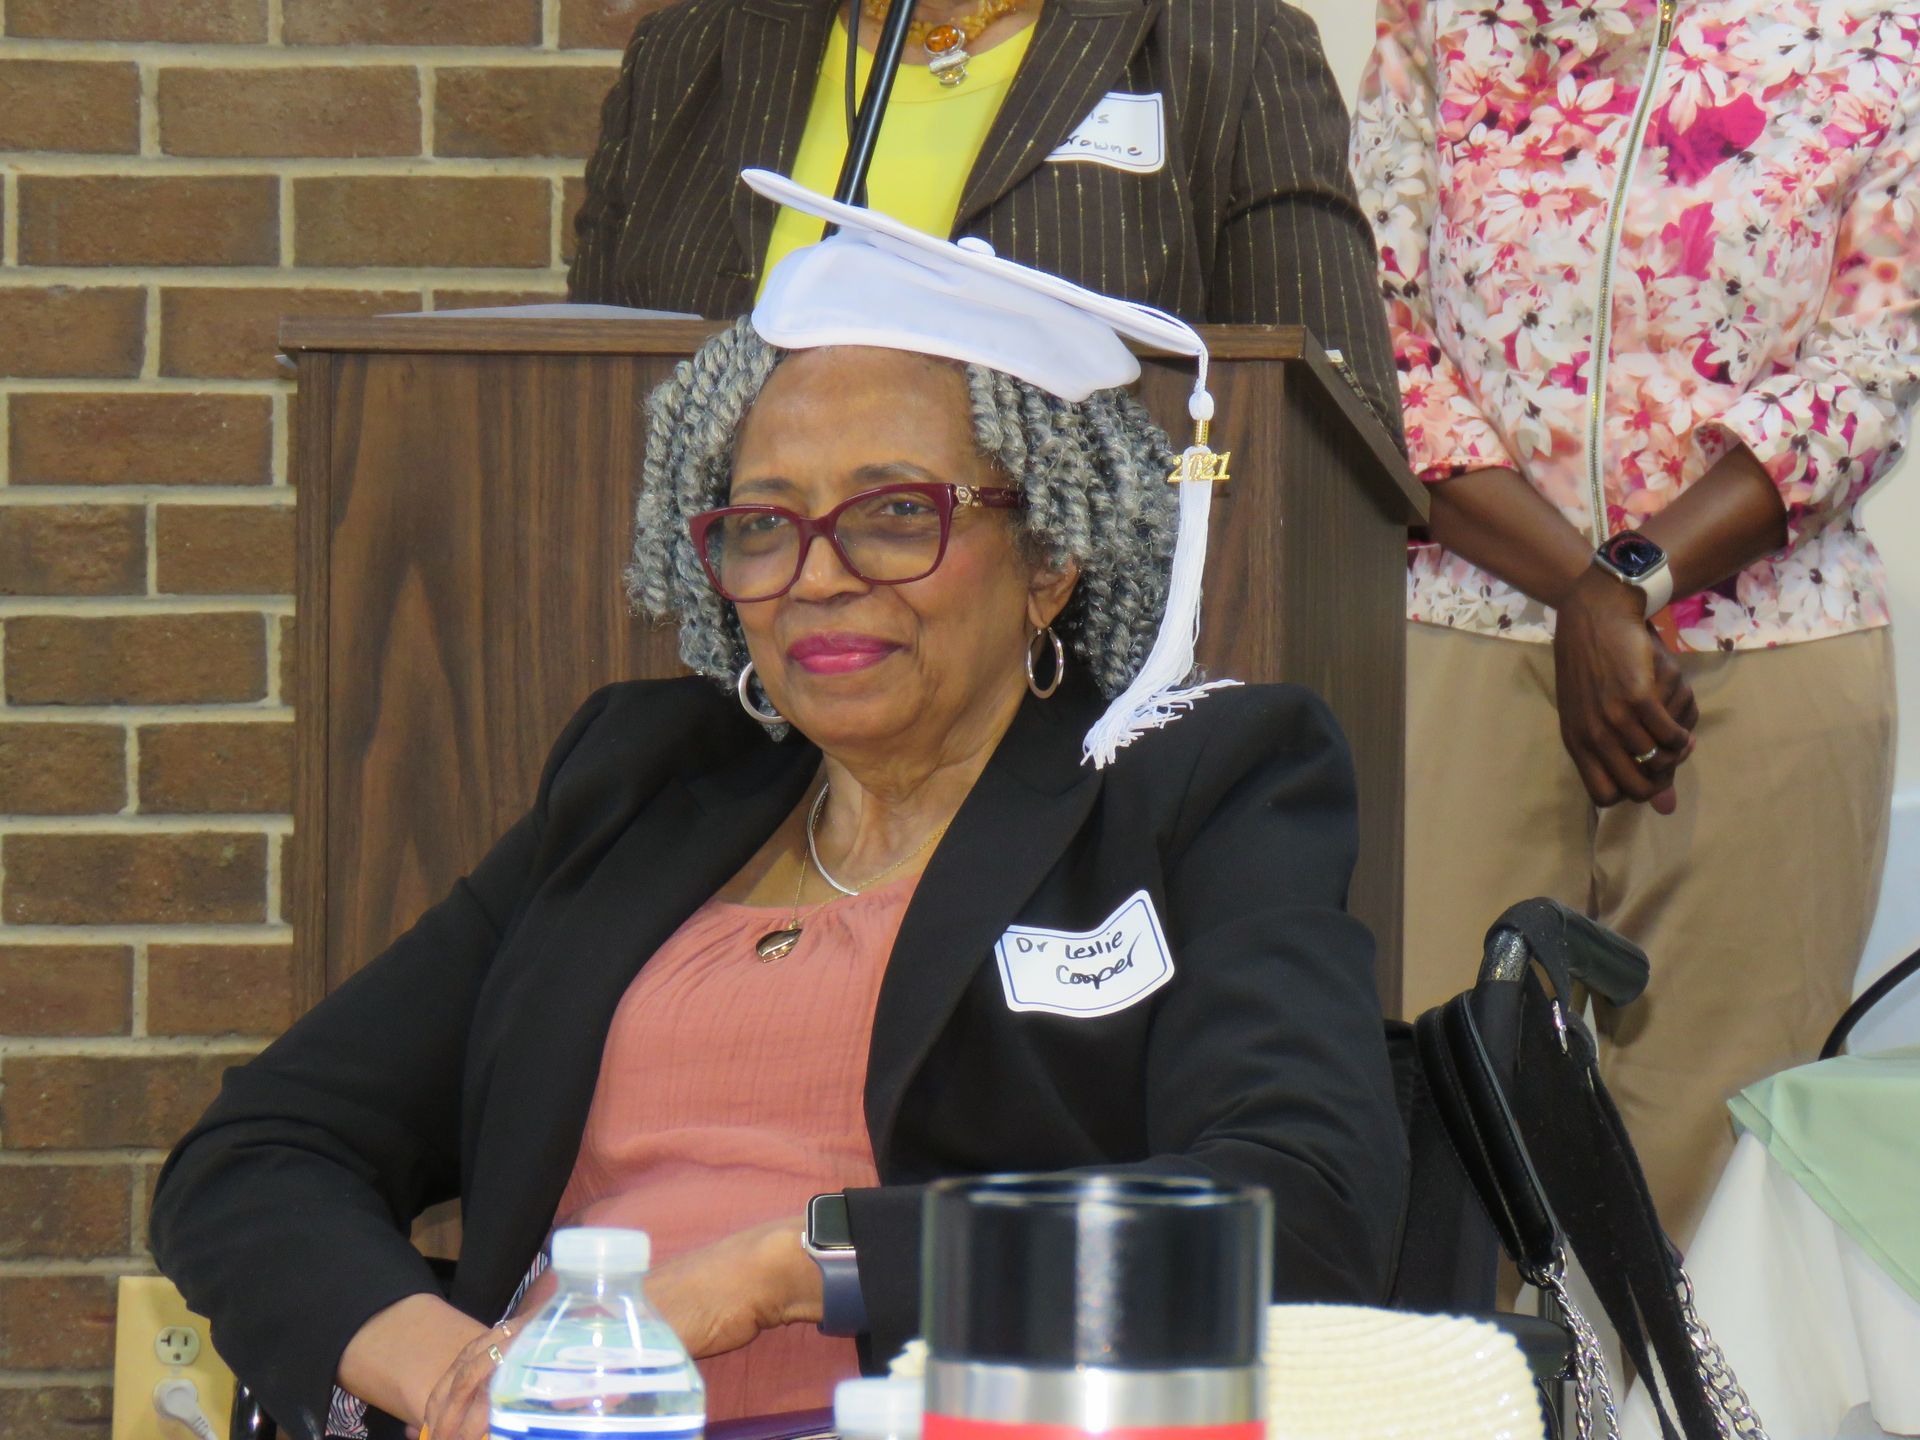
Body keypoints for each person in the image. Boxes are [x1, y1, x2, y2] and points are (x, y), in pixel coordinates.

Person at [150, 173, 1408, 1440]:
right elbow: (257, 1156)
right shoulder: (640, 783)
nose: (819, 576)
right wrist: (455, 1380)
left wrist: (792, 1271)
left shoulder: (1195, 785)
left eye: (897, 512)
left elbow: (1293, 1214)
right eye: (765, 525)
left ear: (1051, 557)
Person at [1351, 0, 1919, 1241]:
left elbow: (1869, 365)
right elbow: (1375, 325)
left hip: (1771, 653)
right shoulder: (1444, 18)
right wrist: (1586, 595)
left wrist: (1631, 584)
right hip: (1467, 621)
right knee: (1448, 1158)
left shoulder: (1883, 26)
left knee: (1715, 1175)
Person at [566, 0, 1405, 436]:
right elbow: (584, 414)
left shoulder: (1226, 48)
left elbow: (1335, 419)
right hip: (716, 681)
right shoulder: (688, 56)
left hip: (1084, 688)